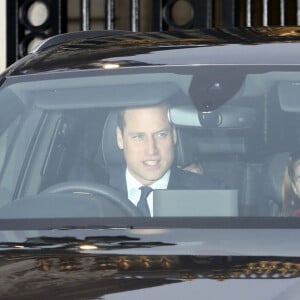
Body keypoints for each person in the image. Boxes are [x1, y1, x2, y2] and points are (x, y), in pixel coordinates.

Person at [107, 103, 221, 216]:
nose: (151, 150)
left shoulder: (208, 194)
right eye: (139, 137)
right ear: (120, 138)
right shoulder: (96, 189)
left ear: (174, 135)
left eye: (161, 135)